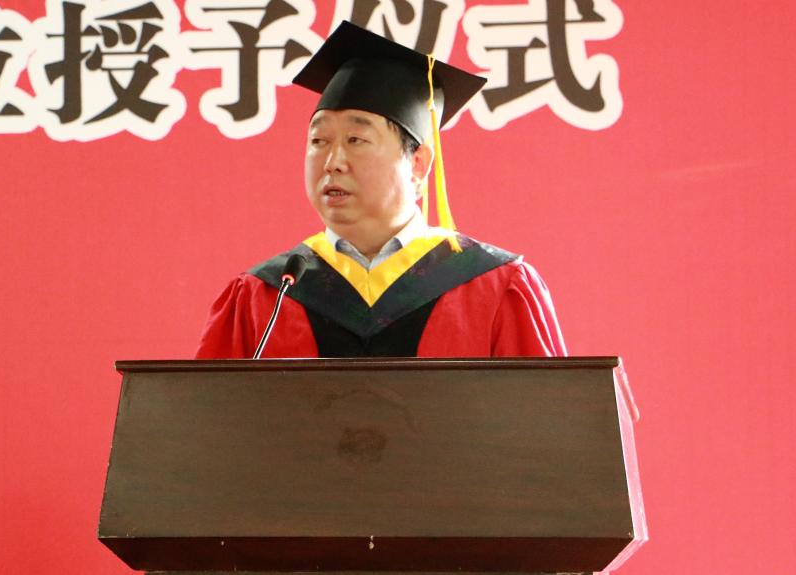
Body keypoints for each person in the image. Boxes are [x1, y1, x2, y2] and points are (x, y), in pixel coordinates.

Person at [196, 22, 566, 359]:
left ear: (418, 163)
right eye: (319, 141)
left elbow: (545, 408)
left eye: (356, 140)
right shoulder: (264, 294)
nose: (333, 162)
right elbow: (207, 410)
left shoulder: (494, 286)